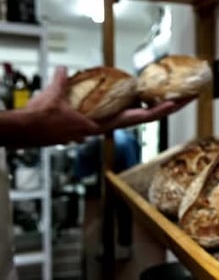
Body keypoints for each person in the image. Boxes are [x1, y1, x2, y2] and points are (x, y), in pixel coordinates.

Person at [0, 67, 194, 280]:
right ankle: (121, 246)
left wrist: (25, 125)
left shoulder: (118, 142)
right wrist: (26, 123)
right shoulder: (115, 143)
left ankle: (119, 246)